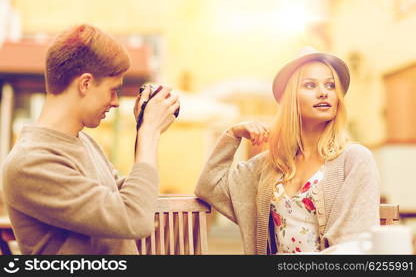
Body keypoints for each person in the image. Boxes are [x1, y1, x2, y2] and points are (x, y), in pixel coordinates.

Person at [1, 24, 180, 254]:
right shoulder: (30, 163)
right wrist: (149, 134)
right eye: (113, 90)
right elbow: (134, 219)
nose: (115, 102)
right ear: (85, 84)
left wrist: (144, 129)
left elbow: (134, 201)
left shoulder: (85, 142)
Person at [195, 47, 380, 255]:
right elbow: (208, 185)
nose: (323, 92)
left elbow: (353, 246)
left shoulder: (354, 159)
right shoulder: (270, 165)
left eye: (330, 85)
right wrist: (232, 134)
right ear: (290, 98)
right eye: (310, 85)